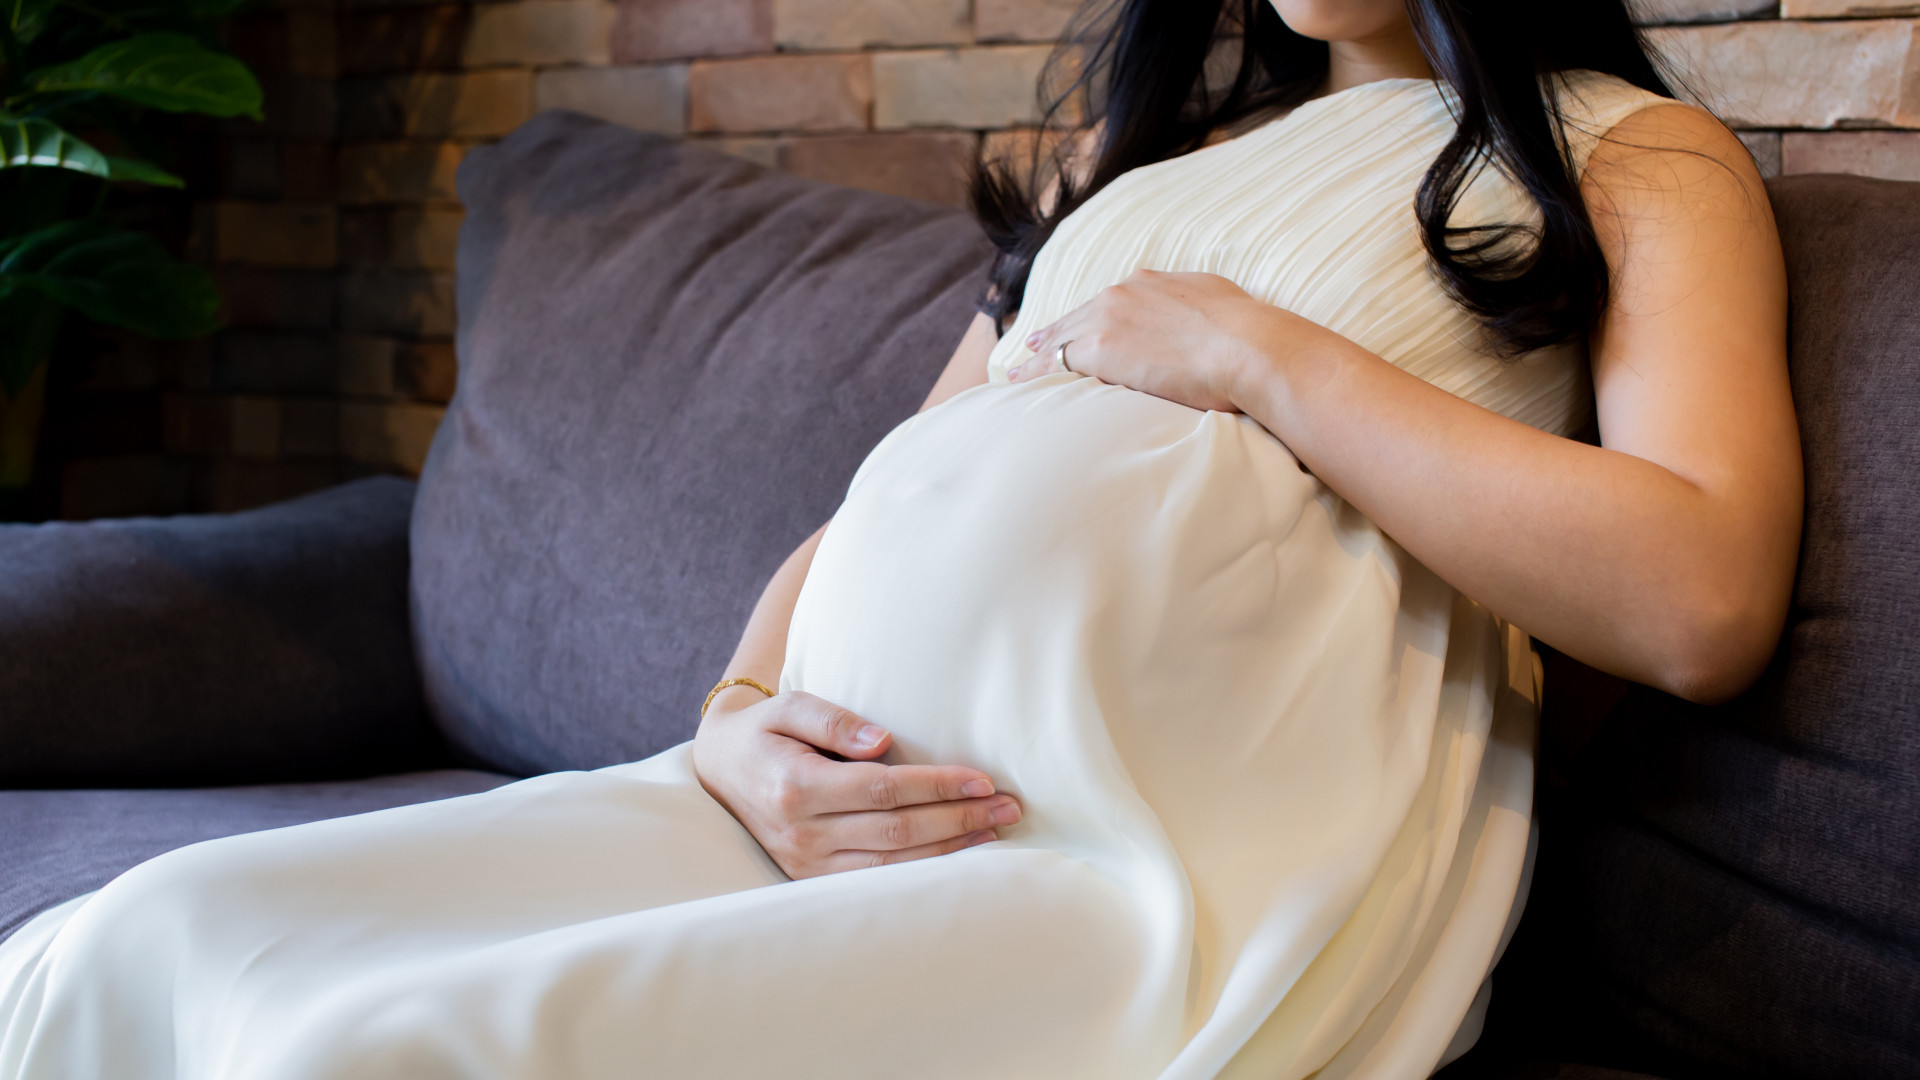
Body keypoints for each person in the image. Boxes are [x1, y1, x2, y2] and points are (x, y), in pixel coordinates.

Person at [0, 0, 1801, 1076]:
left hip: (1145, 866)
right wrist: (733, 714)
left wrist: (1261, 355)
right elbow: (901, 480)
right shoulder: (1143, 161)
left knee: (358, 1055)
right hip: (803, 813)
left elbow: (1697, 597)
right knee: (140, 938)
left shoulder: (1632, 161)